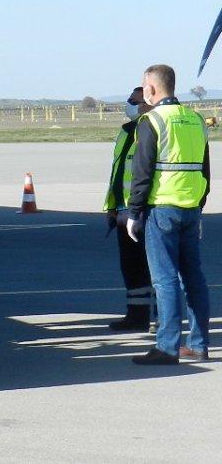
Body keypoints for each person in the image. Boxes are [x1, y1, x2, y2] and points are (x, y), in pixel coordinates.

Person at [127, 64, 211, 365]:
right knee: (194, 278)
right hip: (190, 208)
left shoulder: (152, 120)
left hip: (162, 208)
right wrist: (199, 207)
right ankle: (199, 344)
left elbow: (142, 170)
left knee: (164, 280)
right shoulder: (195, 119)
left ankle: (167, 346)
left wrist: (135, 212)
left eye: (143, 86)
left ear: (152, 88)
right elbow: (205, 169)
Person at [102, 86, 154, 331]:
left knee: (155, 267)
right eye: (129, 101)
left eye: (134, 101)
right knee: (132, 266)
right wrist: (112, 207)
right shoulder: (125, 132)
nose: (129, 105)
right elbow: (118, 172)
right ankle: (137, 314)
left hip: (146, 210)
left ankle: (161, 318)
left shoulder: (153, 129)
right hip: (125, 211)